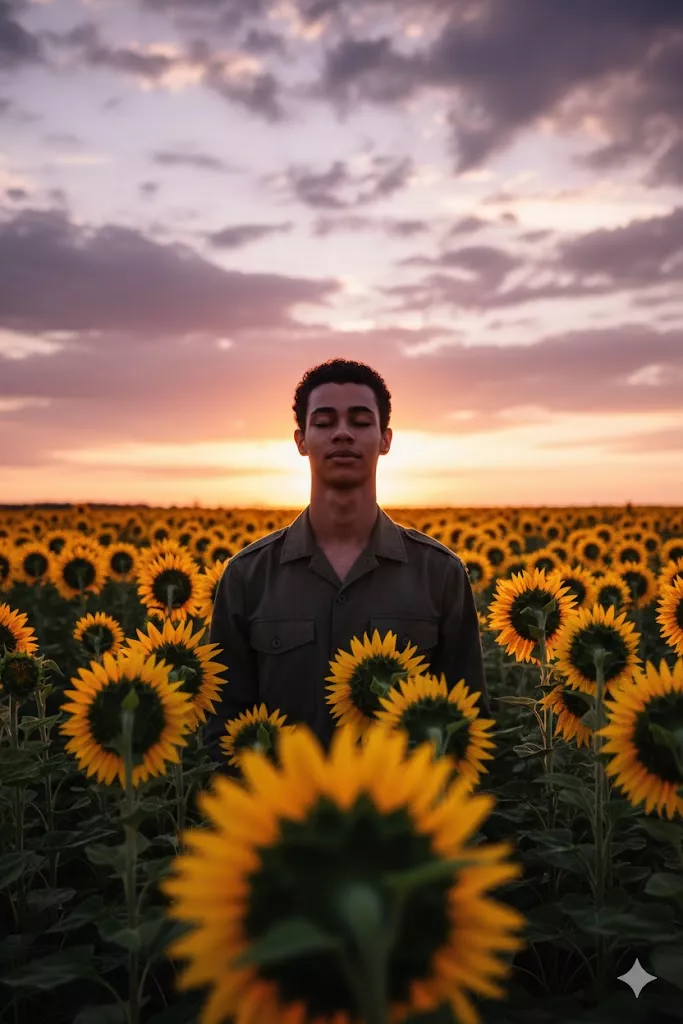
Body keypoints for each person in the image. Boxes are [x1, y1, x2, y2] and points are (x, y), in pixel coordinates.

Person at [205, 358, 489, 767]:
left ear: (385, 439)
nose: (342, 433)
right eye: (324, 422)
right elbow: (224, 725)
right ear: (301, 440)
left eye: (359, 421)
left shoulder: (439, 573)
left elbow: (468, 719)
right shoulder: (248, 576)